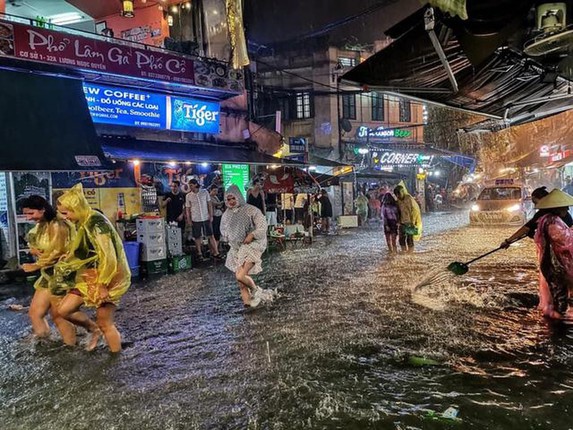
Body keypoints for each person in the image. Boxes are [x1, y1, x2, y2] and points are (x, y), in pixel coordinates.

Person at [55, 184, 131, 353]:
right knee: (64, 310)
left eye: (66, 213)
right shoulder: (82, 222)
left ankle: (115, 359)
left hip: (110, 278)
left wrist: (103, 283)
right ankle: (93, 329)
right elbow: (83, 249)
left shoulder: (96, 223)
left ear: (77, 208)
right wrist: (69, 258)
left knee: (105, 322)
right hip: (89, 276)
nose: (65, 217)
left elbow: (109, 256)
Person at [20, 195, 99, 347]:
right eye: (26, 214)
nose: (29, 217)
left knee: (58, 315)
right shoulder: (42, 224)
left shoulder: (58, 225)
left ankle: (73, 344)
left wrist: (35, 266)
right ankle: (43, 341)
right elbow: (35, 241)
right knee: (35, 312)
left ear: (42, 210)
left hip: (63, 274)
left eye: (31, 213)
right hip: (48, 273)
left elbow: (58, 252)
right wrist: (35, 251)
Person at [501, 186, 573, 316]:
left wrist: (509, 241)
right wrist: (509, 240)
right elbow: (528, 229)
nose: (567, 209)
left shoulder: (553, 218)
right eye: (564, 207)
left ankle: (559, 315)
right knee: (559, 292)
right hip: (553, 262)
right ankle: (558, 321)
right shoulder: (548, 219)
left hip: (557, 262)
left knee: (561, 291)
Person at [220, 185, 271, 308]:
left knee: (240, 275)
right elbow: (223, 230)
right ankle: (248, 305)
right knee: (241, 282)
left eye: (233, 198)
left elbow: (263, 226)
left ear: (238, 197)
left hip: (252, 246)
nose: (231, 202)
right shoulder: (226, 215)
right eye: (229, 199)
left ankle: (256, 291)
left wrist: (252, 234)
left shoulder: (251, 210)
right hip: (236, 249)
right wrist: (227, 238)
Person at [533, 189, 573, 319]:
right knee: (559, 295)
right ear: (557, 208)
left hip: (551, 261)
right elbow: (563, 240)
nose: (567, 210)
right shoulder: (552, 221)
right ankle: (558, 325)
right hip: (555, 264)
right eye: (564, 207)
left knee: (559, 293)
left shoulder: (546, 219)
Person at [185, 178, 223, 261]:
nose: (190, 187)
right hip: (195, 218)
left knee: (211, 235)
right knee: (197, 236)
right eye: (189, 185)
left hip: (205, 217)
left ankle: (216, 252)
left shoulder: (204, 192)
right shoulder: (188, 196)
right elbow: (187, 208)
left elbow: (209, 204)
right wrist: (189, 219)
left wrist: (211, 215)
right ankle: (199, 253)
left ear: (195, 184)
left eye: (191, 185)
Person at [394, 184, 422, 253]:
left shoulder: (409, 199)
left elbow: (413, 211)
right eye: (396, 195)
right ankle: (404, 252)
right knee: (401, 239)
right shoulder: (398, 201)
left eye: (399, 194)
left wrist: (413, 222)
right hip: (401, 223)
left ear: (402, 192)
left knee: (410, 239)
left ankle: (410, 253)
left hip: (410, 222)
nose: (398, 196)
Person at [209, 185, 224, 250]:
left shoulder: (215, 196)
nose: (216, 192)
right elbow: (217, 204)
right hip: (213, 217)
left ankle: (216, 249)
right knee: (214, 234)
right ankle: (214, 249)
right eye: (214, 191)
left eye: (216, 191)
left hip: (218, 216)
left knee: (217, 233)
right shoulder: (209, 198)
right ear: (211, 190)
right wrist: (224, 201)